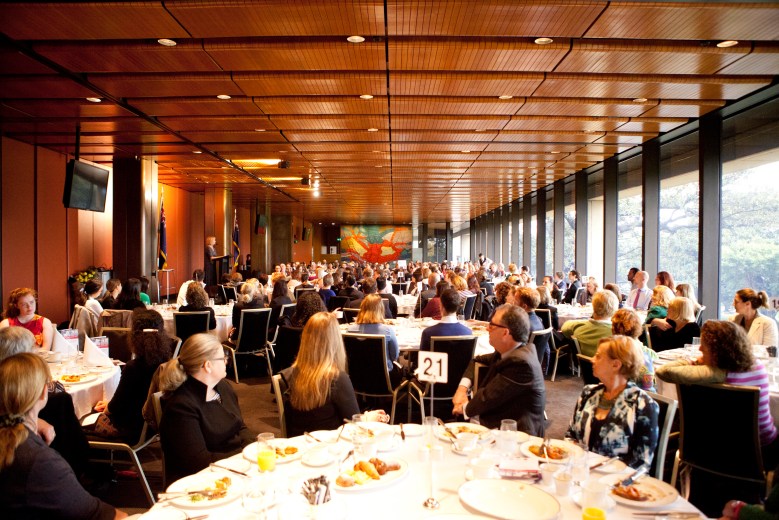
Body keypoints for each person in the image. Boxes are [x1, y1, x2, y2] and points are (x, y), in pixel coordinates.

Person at [0, 353, 126, 519]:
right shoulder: (38, 461)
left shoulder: (19, 448)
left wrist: (36, 421)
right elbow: (99, 514)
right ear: (43, 393)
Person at [656, 320, 779, 469]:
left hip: (713, 452)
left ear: (718, 351)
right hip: (763, 450)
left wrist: (693, 361)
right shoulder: (758, 366)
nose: (700, 349)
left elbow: (663, 371)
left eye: (704, 347)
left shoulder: (715, 373)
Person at [158, 334, 256, 483]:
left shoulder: (223, 387)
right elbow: (200, 463)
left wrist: (255, 447)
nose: (226, 361)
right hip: (201, 483)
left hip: (235, 468)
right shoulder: (181, 407)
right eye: (223, 357)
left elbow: (240, 426)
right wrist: (245, 456)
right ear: (207, 365)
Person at [0, 327, 89, 477]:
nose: (37, 351)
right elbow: (58, 388)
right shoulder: (45, 393)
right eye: (33, 348)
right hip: (45, 466)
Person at [566, 336, 659, 469]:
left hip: (617, 482)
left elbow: (641, 463)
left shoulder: (643, 405)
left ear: (616, 364)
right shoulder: (588, 393)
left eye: (598, 356)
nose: (592, 360)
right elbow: (570, 436)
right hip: (579, 472)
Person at [452, 304, 546, 433]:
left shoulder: (521, 363)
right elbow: (476, 360)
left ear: (505, 332)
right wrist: (462, 390)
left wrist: (462, 407)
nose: (487, 329)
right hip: (498, 419)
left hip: (516, 434)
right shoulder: (508, 352)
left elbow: (488, 397)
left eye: (491, 325)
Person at [88, 309, 173, 444]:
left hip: (129, 429)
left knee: (79, 418)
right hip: (151, 426)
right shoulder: (166, 363)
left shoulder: (133, 367)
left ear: (135, 336)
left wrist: (107, 407)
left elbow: (115, 407)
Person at [279, 312, 365, 437]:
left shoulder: (289, 375)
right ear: (336, 342)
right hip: (330, 449)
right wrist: (368, 417)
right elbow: (354, 427)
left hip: (299, 447)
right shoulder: (337, 379)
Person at [348, 294, 401, 384]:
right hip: (384, 380)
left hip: (358, 379)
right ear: (380, 309)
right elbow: (394, 356)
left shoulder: (350, 330)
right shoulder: (387, 330)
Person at [612, 308, 659, 392]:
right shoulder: (650, 354)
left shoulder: (611, 354)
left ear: (613, 329)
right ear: (639, 328)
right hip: (649, 398)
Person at [561, 290, 618, 357]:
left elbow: (564, 328)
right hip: (609, 366)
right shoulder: (617, 333)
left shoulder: (579, 326)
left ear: (593, 306)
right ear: (615, 309)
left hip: (584, 366)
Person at [515, 286, 549, 373]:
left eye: (515, 301)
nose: (512, 303)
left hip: (521, 364)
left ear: (524, 306)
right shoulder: (539, 320)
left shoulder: (522, 325)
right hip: (534, 363)